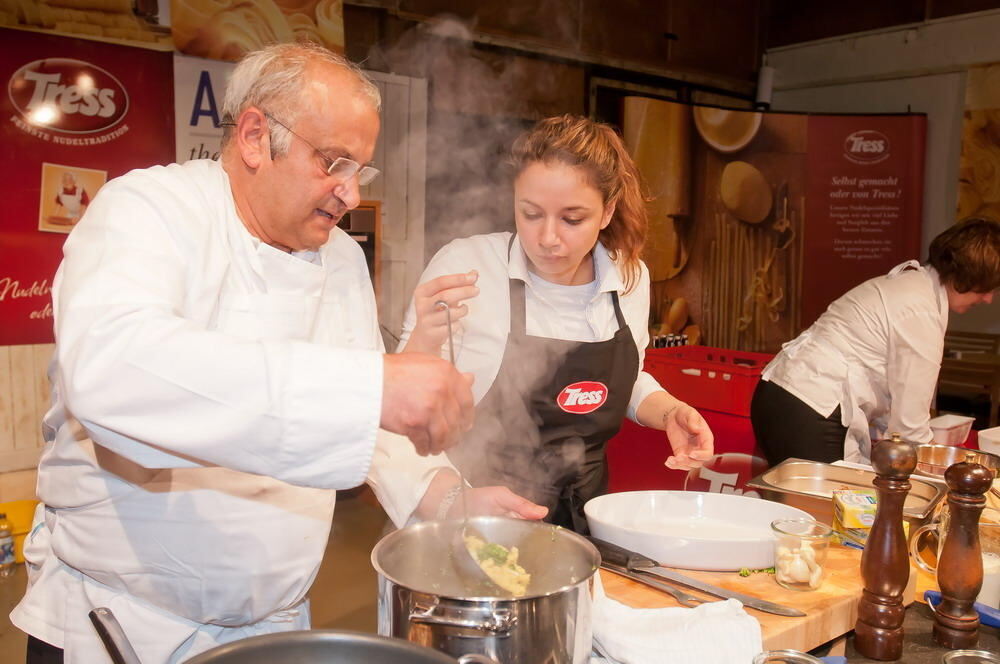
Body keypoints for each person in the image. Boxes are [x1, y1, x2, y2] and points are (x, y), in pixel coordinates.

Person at [11, 43, 478, 664]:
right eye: (334, 162)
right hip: (122, 627)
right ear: (256, 136)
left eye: (359, 171)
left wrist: (452, 498)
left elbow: (361, 419)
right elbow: (113, 372)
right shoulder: (150, 210)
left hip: (270, 627)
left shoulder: (339, 258)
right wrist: (373, 387)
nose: (348, 194)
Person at [386, 115, 715, 533]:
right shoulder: (469, 267)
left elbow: (625, 377)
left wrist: (669, 411)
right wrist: (420, 340)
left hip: (586, 514)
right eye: (531, 214)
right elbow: (401, 397)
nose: (547, 238)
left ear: (607, 211)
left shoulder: (628, 278)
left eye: (572, 219)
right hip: (478, 507)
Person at [751, 217, 1000, 465]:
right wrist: (943, 466)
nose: (988, 299)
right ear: (966, 275)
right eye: (985, 288)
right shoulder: (921, 310)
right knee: (832, 503)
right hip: (814, 408)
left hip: (777, 393)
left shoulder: (908, 284)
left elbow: (893, 408)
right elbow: (909, 428)